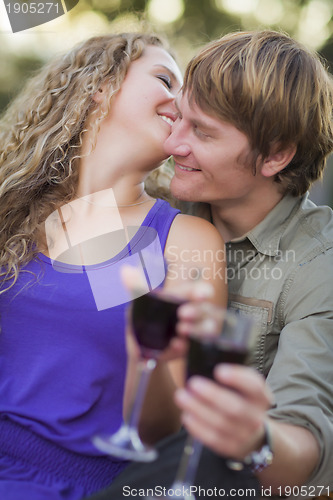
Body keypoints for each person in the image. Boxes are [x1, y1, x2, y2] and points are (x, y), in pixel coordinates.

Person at [87, 30, 333, 499]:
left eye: (201, 132)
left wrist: (255, 438)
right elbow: (93, 300)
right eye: (178, 118)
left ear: (277, 154)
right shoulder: (159, 208)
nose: (173, 143)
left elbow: (305, 447)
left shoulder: (320, 267)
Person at [0, 33, 227, 500]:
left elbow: (164, 433)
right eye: (165, 78)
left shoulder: (179, 242)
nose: (179, 100)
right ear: (99, 85)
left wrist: (160, 357)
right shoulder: (12, 209)